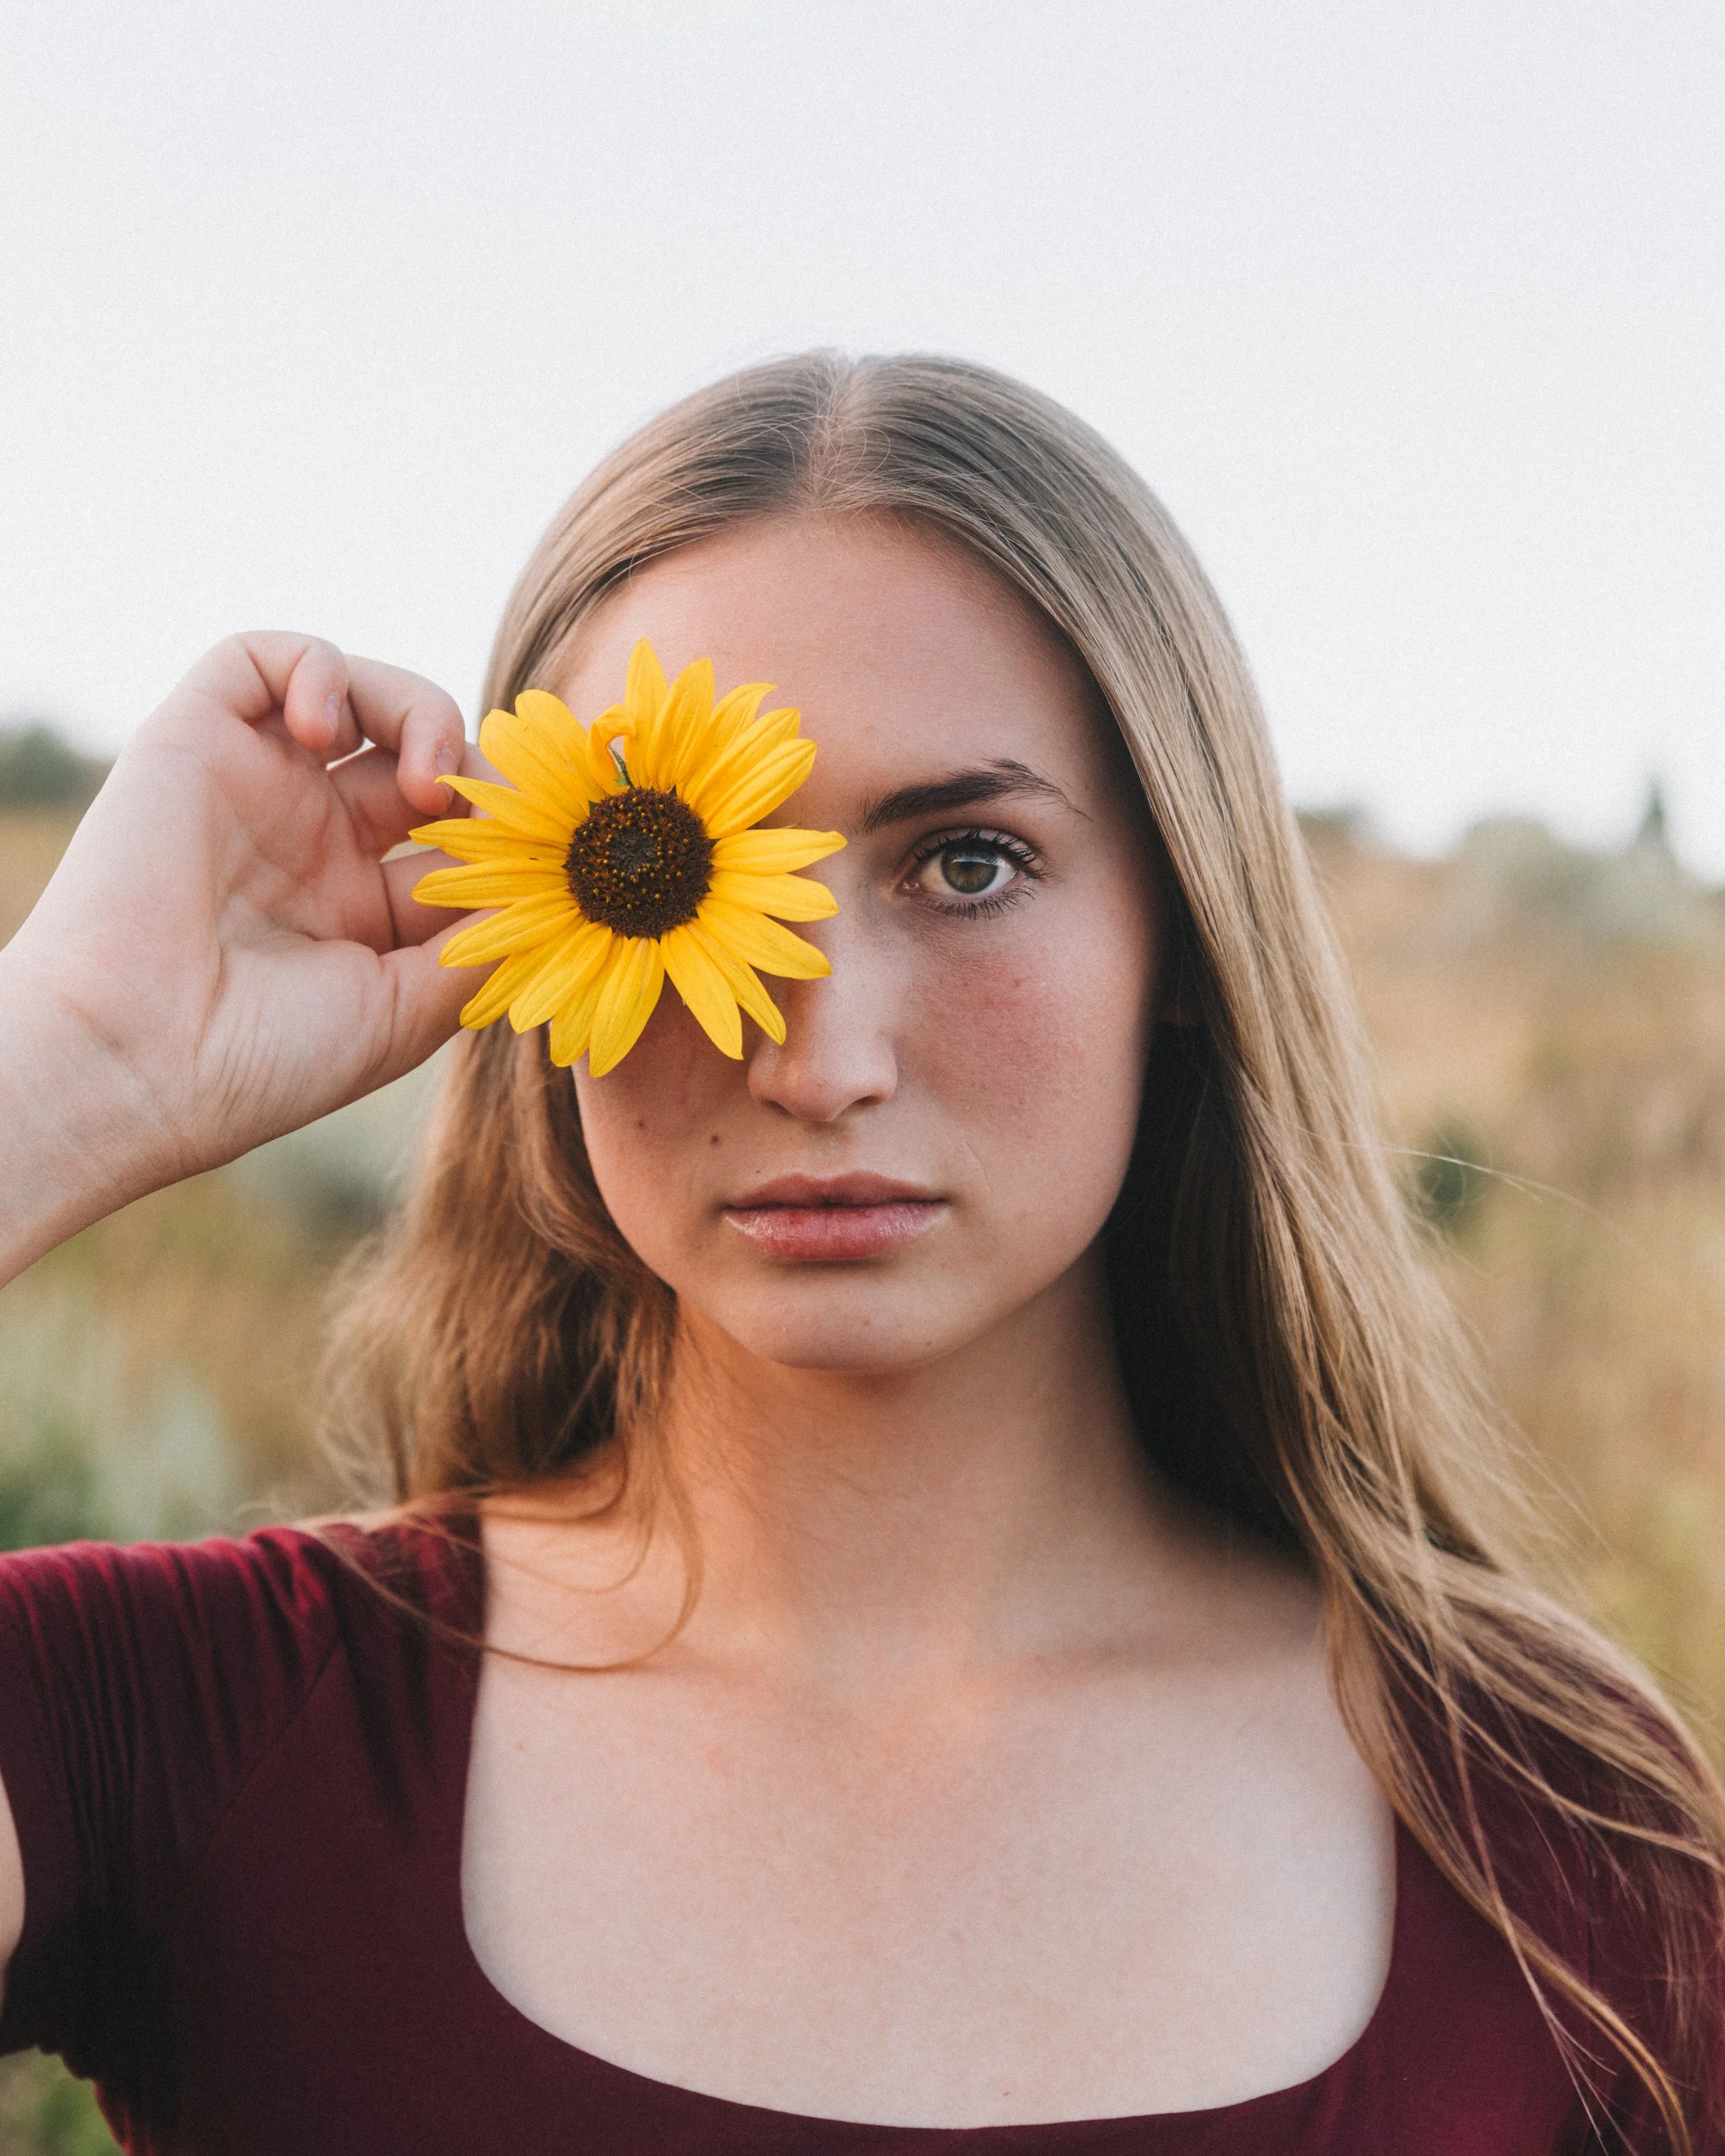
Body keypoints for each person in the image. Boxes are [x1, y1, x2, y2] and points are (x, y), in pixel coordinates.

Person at [0, 352, 1717, 2156]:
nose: (819, 1056)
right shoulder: (193, 1728)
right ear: (530, 946)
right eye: (664, 871)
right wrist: (70, 1067)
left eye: (966, 862)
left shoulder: (1544, 1828)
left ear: (1185, 941)